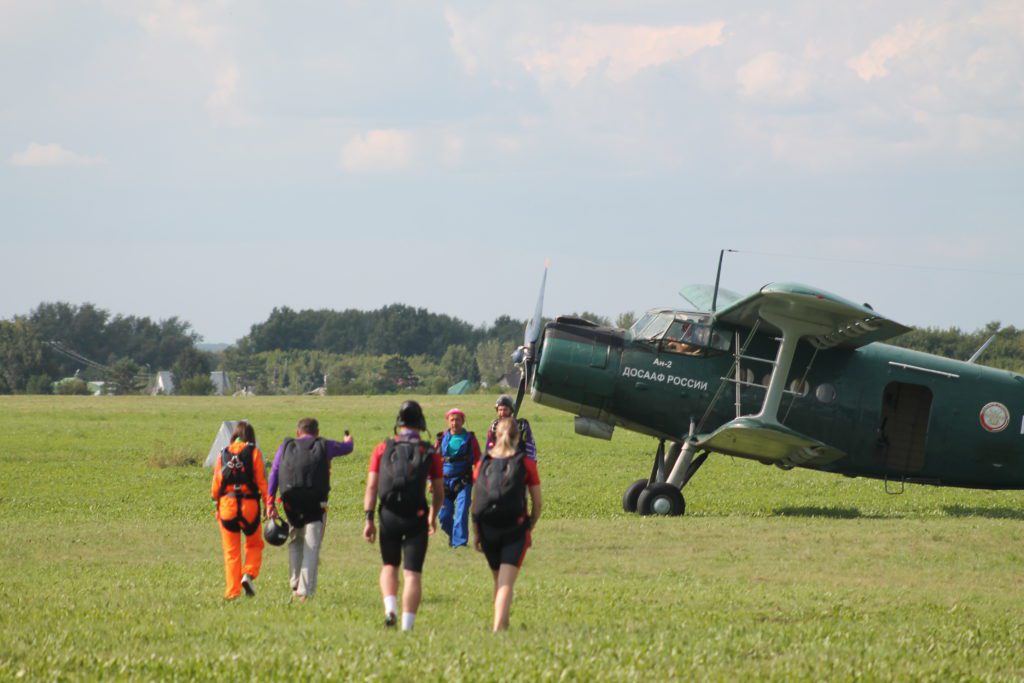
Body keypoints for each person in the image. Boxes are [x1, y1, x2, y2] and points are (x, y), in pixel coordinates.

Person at [363, 400, 443, 631]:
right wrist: (432, 515)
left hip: (388, 515)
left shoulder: (382, 448)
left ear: (398, 423)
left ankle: (390, 609)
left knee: (389, 566)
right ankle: (407, 627)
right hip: (416, 515)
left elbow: (371, 487)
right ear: (421, 423)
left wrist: (369, 518)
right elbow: (439, 491)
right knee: (412, 574)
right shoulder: (429, 451)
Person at [267, 417, 354, 601]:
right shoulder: (324, 445)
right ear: (317, 432)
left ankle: (294, 583)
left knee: (296, 542)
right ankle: (304, 591)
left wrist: (270, 502)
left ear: (298, 432)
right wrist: (348, 439)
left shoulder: (285, 447)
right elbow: (347, 448)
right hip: (315, 505)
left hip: (291, 504)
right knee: (311, 545)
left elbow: (274, 472)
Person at [472, 417, 542, 632]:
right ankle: (498, 629)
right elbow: (537, 502)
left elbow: (475, 502)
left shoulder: (482, 462)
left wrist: (476, 533)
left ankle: (502, 623)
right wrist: (529, 523)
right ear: (517, 437)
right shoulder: (525, 463)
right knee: (506, 583)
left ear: (494, 436)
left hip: (486, 527)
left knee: (498, 580)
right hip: (514, 527)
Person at [210, 421, 271, 600]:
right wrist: (269, 504)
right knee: (254, 544)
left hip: (227, 506)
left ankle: (232, 592)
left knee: (231, 552)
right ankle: (249, 573)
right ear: (250, 437)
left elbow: (216, 486)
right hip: (249, 506)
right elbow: (261, 482)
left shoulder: (223, 454)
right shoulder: (254, 453)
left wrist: (217, 505)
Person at [434, 408, 482, 549]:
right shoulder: (441, 438)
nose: (455, 423)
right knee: (443, 516)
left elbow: (479, 461)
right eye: (452, 420)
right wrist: (431, 481)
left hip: (463, 481)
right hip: (444, 481)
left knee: (461, 513)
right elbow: (434, 461)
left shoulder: (470, 439)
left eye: (458, 420)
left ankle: (459, 544)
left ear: (463, 421)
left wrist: (477, 479)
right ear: (448, 421)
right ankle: (454, 536)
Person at [485, 395, 537, 460]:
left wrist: (530, 463)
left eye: (505, 410)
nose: (502, 413)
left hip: (519, 461)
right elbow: (489, 448)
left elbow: (530, 447)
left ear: (511, 410)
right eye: (500, 410)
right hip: (499, 462)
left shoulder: (521, 426)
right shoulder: (494, 427)